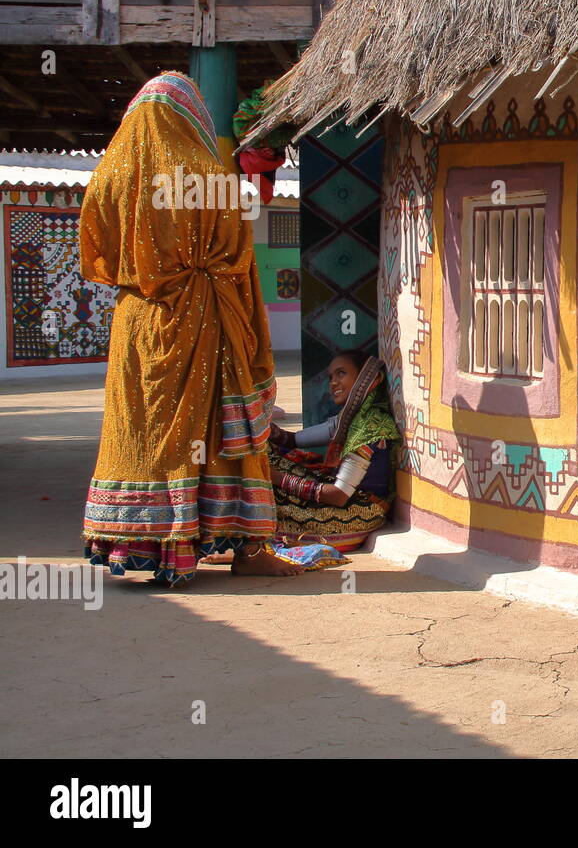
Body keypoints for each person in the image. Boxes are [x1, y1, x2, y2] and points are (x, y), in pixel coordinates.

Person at [80, 71, 302, 582]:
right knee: (222, 433)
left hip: (138, 319)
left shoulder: (110, 179)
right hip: (203, 316)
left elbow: (95, 250)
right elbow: (237, 256)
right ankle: (246, 552)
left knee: (143, 429)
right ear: (194, 119)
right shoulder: (207, 178)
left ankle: (146, 548)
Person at [266, 351, 401, 553]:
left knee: (267, 487)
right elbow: (291, 440)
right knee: (266, 453)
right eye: (331, 377)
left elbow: (339, 495)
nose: (334, 383)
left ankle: (249, 544)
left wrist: (276, 478)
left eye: (341, 374)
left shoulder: (370, 429)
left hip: (358, 513)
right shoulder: (351, 419)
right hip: (346, 501)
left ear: (367, 379)